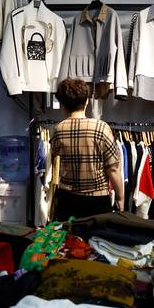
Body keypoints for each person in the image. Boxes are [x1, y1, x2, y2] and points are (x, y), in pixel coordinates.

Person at [50, 78, 124, 221]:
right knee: (97, 242)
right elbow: (113, 169)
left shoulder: (58, 130)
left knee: (69, 241)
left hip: (68, 199)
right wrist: (120, 199)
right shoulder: (101, 128)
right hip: (97, 201)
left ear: (62, 105)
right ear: (87, 102)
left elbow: (55, 161)